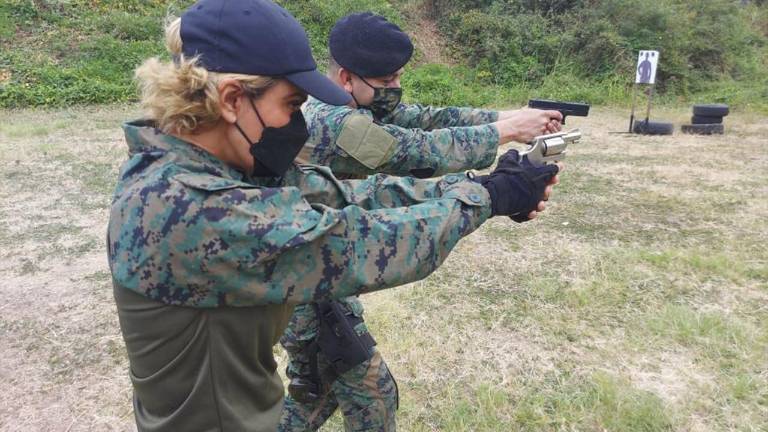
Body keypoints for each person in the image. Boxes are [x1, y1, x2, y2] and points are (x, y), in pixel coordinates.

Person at [107, 1, 560, 430]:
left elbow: (347, 195)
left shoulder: (205, 170)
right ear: (231, 100)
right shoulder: (189, 206)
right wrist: (486, 198)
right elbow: (363, 243)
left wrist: (482, 187)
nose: (298, 123)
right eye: (290, 105)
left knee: (318, 393)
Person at [279, 12, 564, 432]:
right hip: (306, 283)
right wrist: (502, 134)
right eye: (387, 80)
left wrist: (507, 118)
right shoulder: (333, 121)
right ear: (346, 78)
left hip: (319, 272)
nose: (395, 89)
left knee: (315, 396)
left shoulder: (352, 104)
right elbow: (410, 151)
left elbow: (425, 119)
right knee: (371, 396)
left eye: (398, 78)